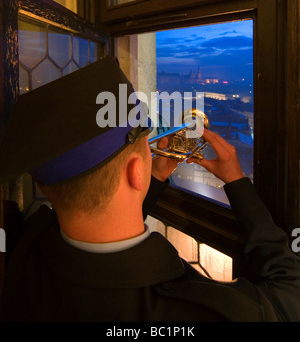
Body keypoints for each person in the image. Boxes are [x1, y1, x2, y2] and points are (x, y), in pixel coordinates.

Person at [0, 56, 300, 322]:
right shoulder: (219, 312)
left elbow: (101, 242)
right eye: (146, 143)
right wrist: (238, 183)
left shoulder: (25, 251)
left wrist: (150, 179)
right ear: (134, 171)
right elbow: (292, 291)